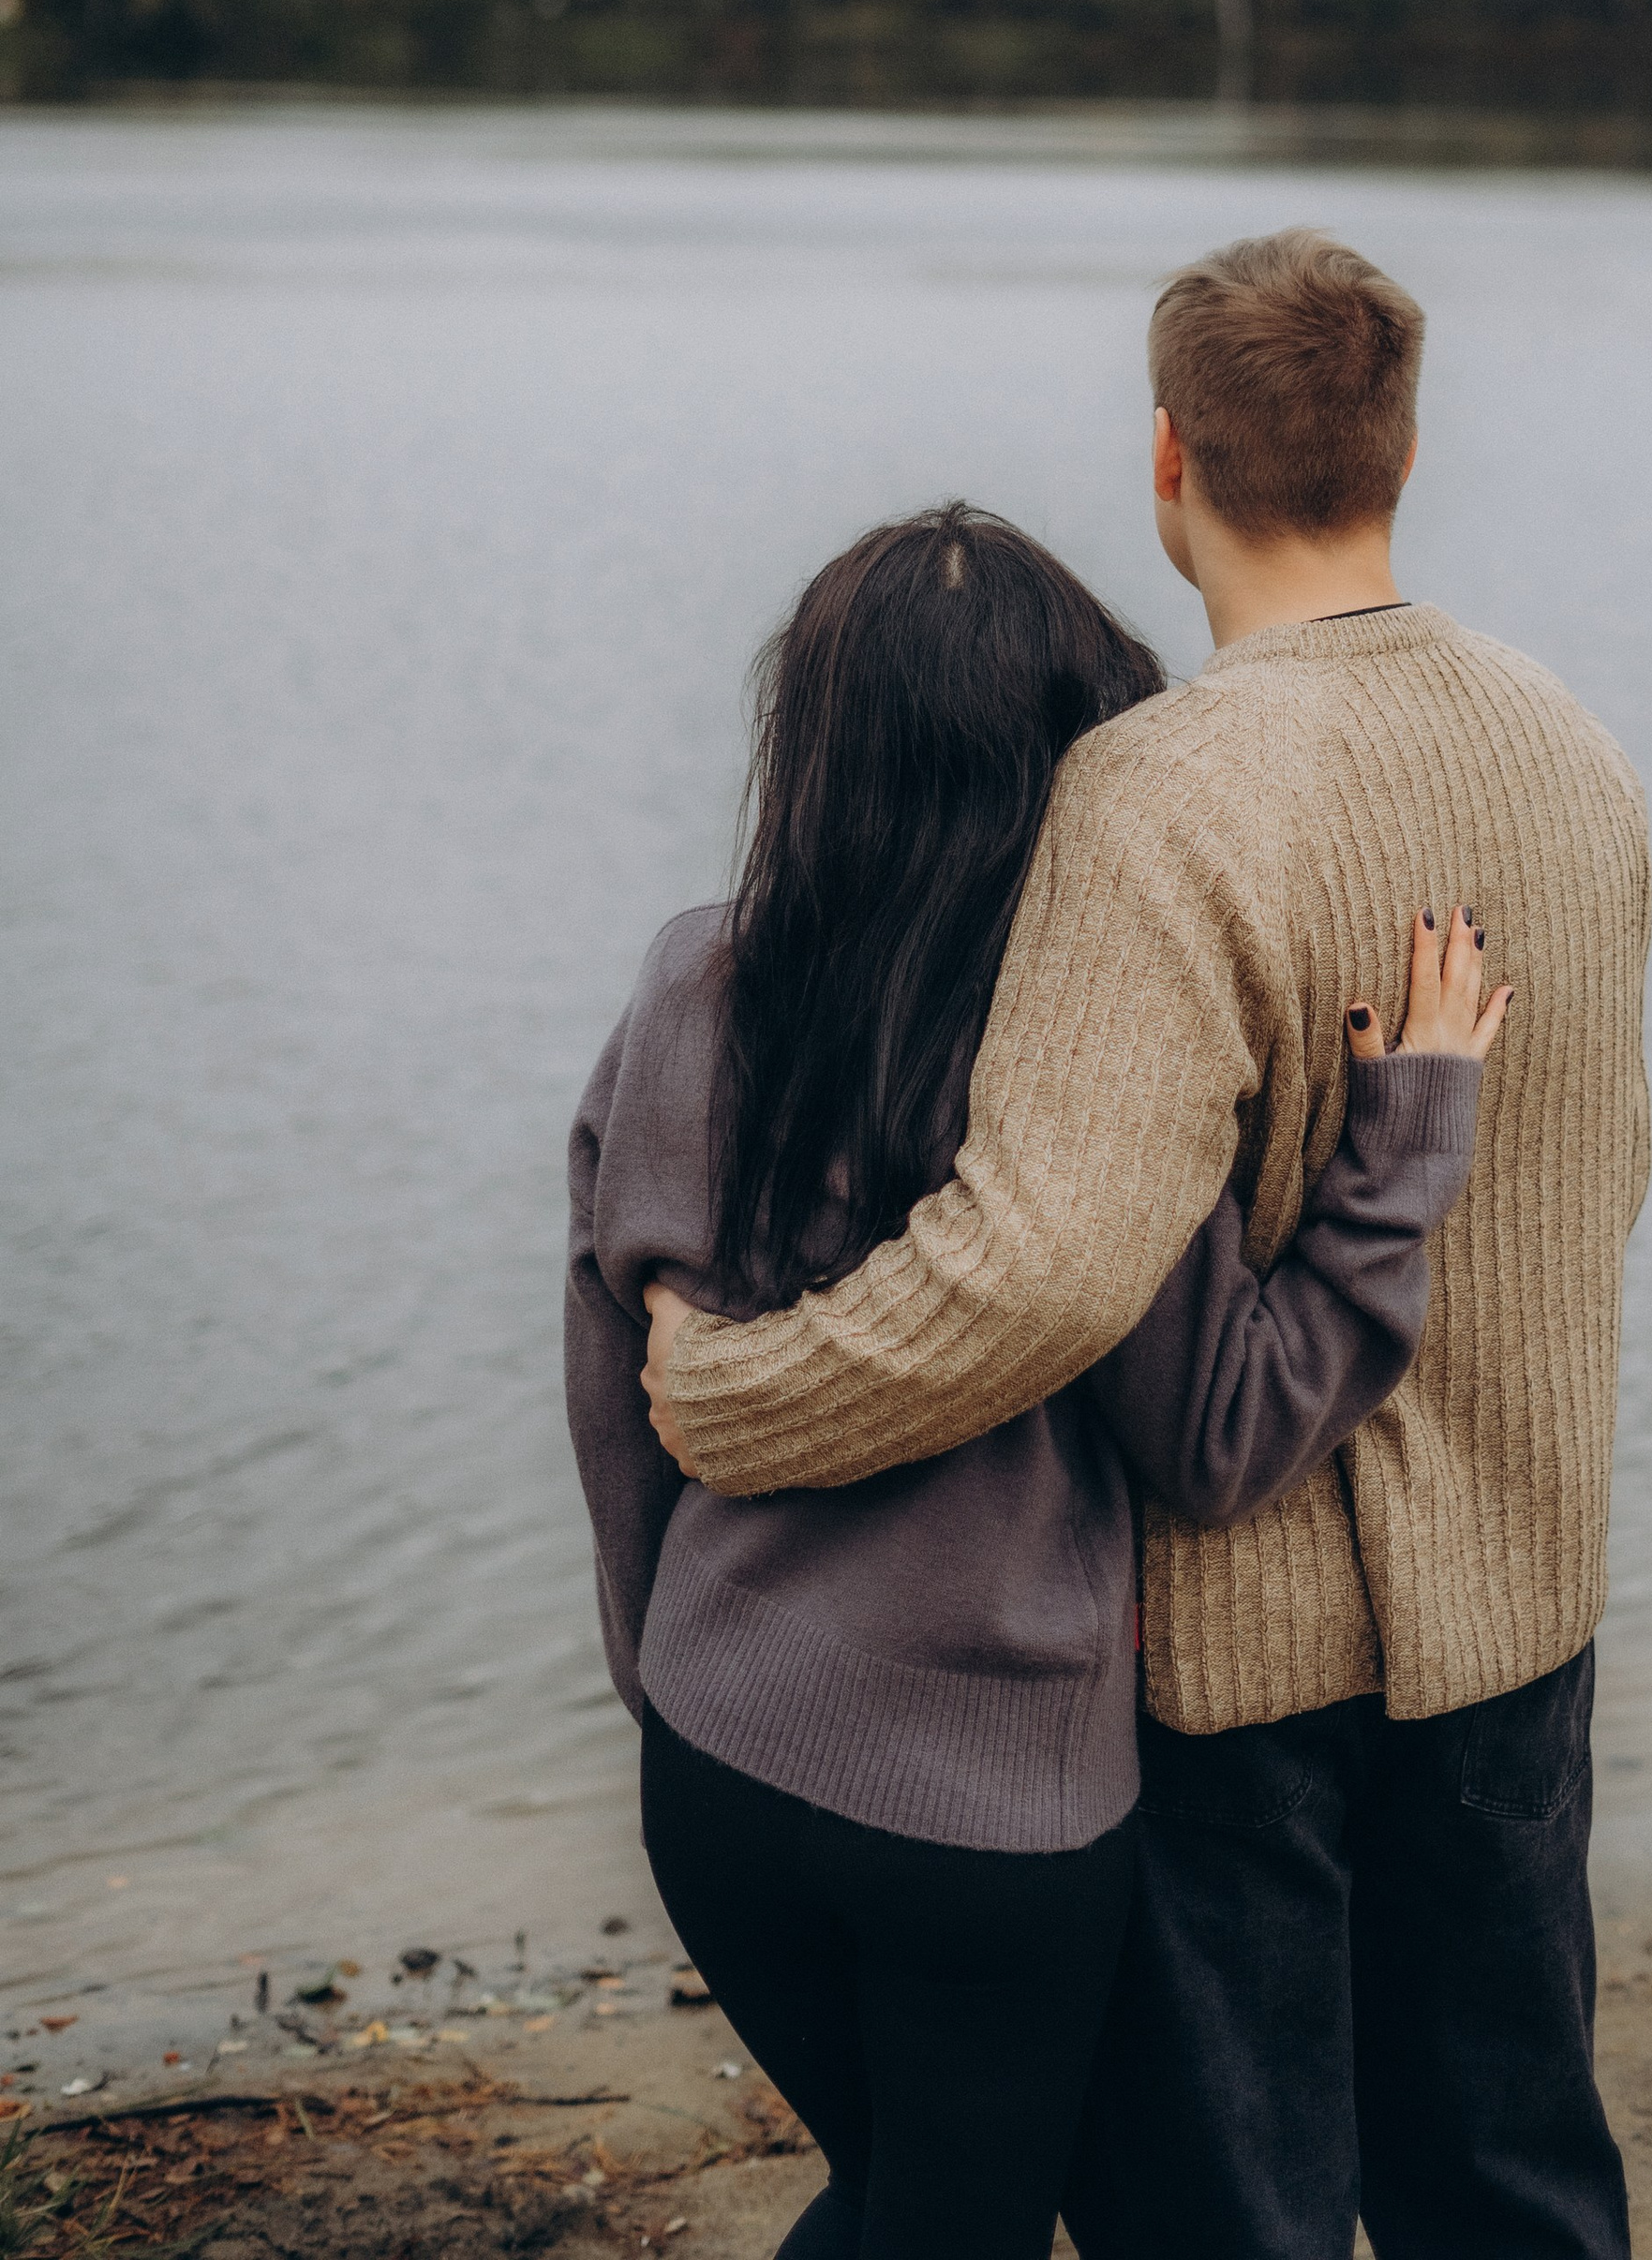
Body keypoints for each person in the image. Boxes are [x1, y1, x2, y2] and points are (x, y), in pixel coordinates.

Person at [647, 228, 1652, 2260]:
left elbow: (1035, 1272)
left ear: (1170, 459)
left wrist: (735, 1401)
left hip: (1252, 1662)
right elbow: (1603, 1160)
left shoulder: (1155, 794)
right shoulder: (1572, 742)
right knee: (1511, 2178)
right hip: (1521, 1603)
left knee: (1235, 2216)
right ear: (1404, 448)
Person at [566, 500, 1505, 2260]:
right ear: (1084, 760)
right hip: (986, 1815)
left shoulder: (695, 972)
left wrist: (662, 1665)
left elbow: (612, 1382)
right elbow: (1226, 1433)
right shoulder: (1081, 1065)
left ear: (813, 741)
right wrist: (1402, 1152)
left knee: (887, 2200)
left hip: (713, 1754)